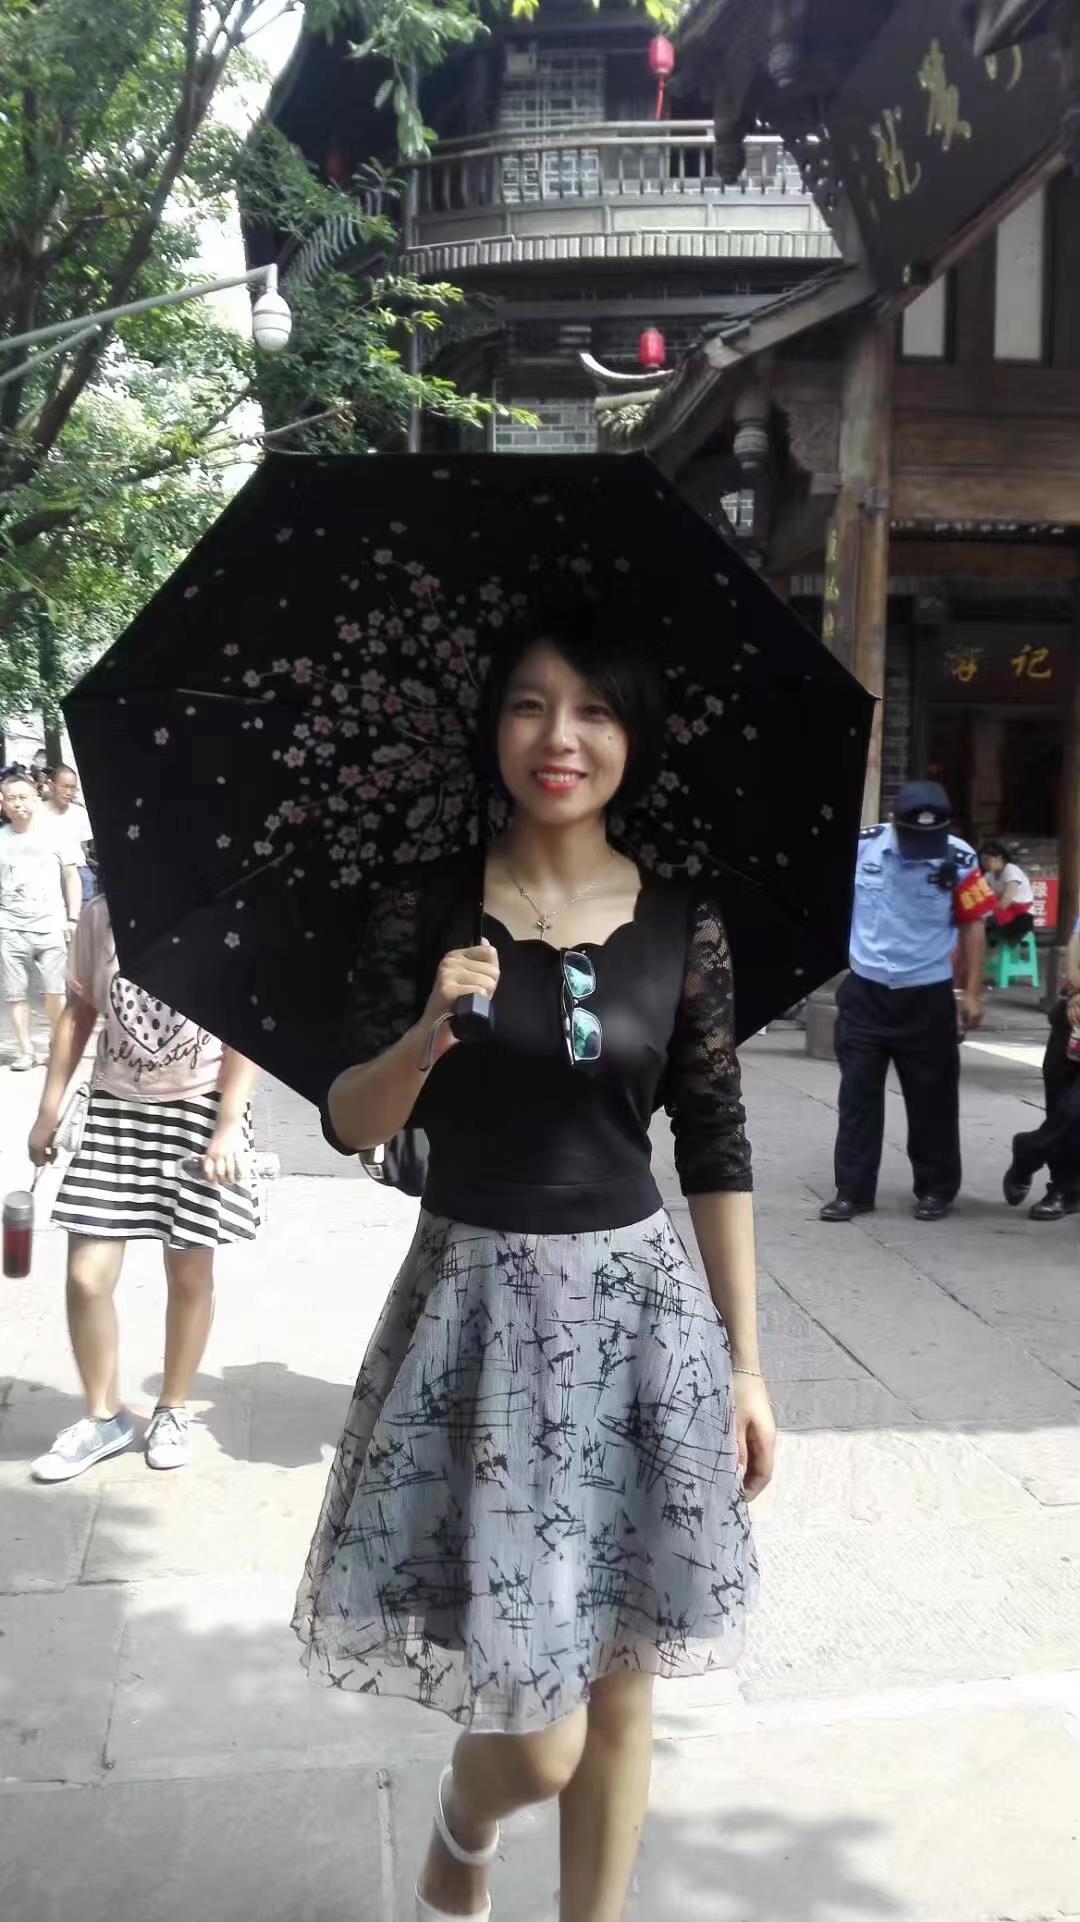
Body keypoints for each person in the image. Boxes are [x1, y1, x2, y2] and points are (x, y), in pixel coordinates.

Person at [292, 622, 775, 1922]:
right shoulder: (427, 903)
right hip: (480, 1317)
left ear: (634, 738)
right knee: (541, 1729)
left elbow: (716, 1143)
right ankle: (468, 1816)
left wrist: (747, 1364)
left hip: (640, 1320)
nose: (560, 737)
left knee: (623, 1688)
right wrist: (425, 1031)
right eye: (529, 705)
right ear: (492, 729)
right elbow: (348, 1119)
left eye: (595, 710)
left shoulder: (682, 918)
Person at [27, 888, 261, 1482]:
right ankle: (104, 1416)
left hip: (200, 1111)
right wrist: (48, 1110)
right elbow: (79, 1012)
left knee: (188, 1275)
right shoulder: (102, 914)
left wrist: (230, 1123)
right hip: (114, 1109)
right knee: (86, 1277)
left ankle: (172, 1408)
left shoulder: (222, 912)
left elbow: (245, 1021)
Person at [820, 779, 996, 1225]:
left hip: (928, 995)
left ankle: (936, 1189)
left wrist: (972, 991)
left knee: (932, 1100)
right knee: (857, 1096)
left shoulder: (960, 858)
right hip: (867, 990)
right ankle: (853, 1191)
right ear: (895, 824)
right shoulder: (861, 847)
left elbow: (975, 924)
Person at [0, 771, 81, 1070]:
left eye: (23, 797)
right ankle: (25, 1051)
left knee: (55, 992)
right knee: (14, 993)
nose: (17, 803)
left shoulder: (57, 834)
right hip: (10, 927)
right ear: (3, 804)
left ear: (36, 797)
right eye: (11, 798)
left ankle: (56, 1045)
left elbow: (72, 876)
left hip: (51, 926)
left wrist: (73, 918)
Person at [1002, 914, 1080, 1220]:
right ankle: (1063, 1189)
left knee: (1074, 1112)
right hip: (1073, 1017)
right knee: (1058, 1103)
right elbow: (1075, 944)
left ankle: (1028, 1151)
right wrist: (1076, 992)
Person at [41, 762, 95, 906]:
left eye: (73, 788)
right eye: (64, 786)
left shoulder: (80, 813)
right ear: (51, 785)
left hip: (78, 871)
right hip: (46, 872)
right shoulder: (37, 812)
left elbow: (85, 847)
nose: (69, 792)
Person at [981, 842, 1036, 948]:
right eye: (982, 860)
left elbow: (1005, 902)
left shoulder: (1011, 870)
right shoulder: (989, 874)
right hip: (1001, 914)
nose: (984, 863)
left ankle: (1003, 952)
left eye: (987, 860)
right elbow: (982, 894)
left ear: (999, 858)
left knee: (995, 931)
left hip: (1022, 916)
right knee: (979, 927)